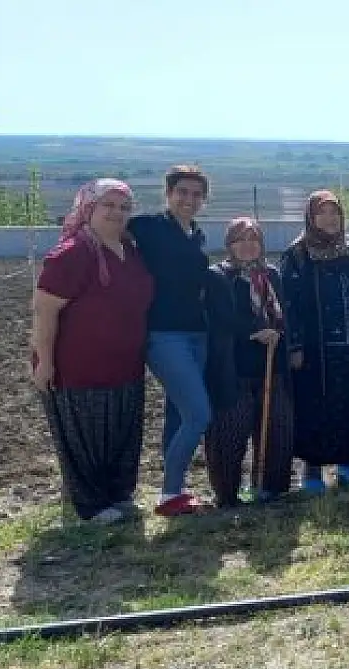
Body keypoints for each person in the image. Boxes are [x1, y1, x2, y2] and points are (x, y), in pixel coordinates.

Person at [31, 179, 154, 524]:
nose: (117, 213)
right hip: (79, 368)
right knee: (85, 436)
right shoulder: (72, 253)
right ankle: (90, 506)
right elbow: (44, 310)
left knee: (121, 432)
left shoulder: (131, 251)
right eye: (108, 205)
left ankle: (117, 493)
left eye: (124, 207)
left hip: (126, 365)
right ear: (88, 208)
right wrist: (45, 361)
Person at [128, 165, 214, 517]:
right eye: (182, 192)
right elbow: (105, 229)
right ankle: (168, 494)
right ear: (168, 194)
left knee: (178, 413)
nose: (189, 199)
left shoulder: (197, 234)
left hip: (198, 334)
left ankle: (174, 489)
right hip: (164, 335)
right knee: (199, 414)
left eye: (196, 194)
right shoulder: (147, 226)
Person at [279, 190, 349, 492]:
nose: (329, 218)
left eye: (334, 212)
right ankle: (311, 470)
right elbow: (289, 304)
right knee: (315, 404)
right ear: (311, 217)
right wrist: (295, 345)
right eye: (322, 212)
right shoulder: (297, 254)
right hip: (315, 348)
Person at [202, 218, 293, 507]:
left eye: (253, 239)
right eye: (239, 239)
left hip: (272, 365)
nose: (247, 245)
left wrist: (277, 332)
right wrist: (254, 331)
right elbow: (221, 317)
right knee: (230, 431)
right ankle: (227, 494)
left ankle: (270, 488)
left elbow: (282, 314)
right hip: (234, 366)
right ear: (229, 244)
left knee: (276, 428)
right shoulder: (218, 276)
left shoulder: (272, 274)